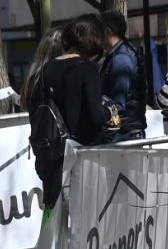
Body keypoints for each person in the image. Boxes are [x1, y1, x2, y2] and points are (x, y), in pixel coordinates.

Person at [25, 16, 108, 211]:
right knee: (87, 222)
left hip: (53, 159)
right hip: (84, 159)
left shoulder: (44, 70)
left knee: (54, 221)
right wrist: (109, 112)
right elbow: (96, 116)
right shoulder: (87, 69)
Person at [97, 11, 146, 142]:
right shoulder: (124, 52)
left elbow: (117, 105)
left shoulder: (121, 58)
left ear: (107, 32)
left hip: (124, 135)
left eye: (97, 32)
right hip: (126, 132)